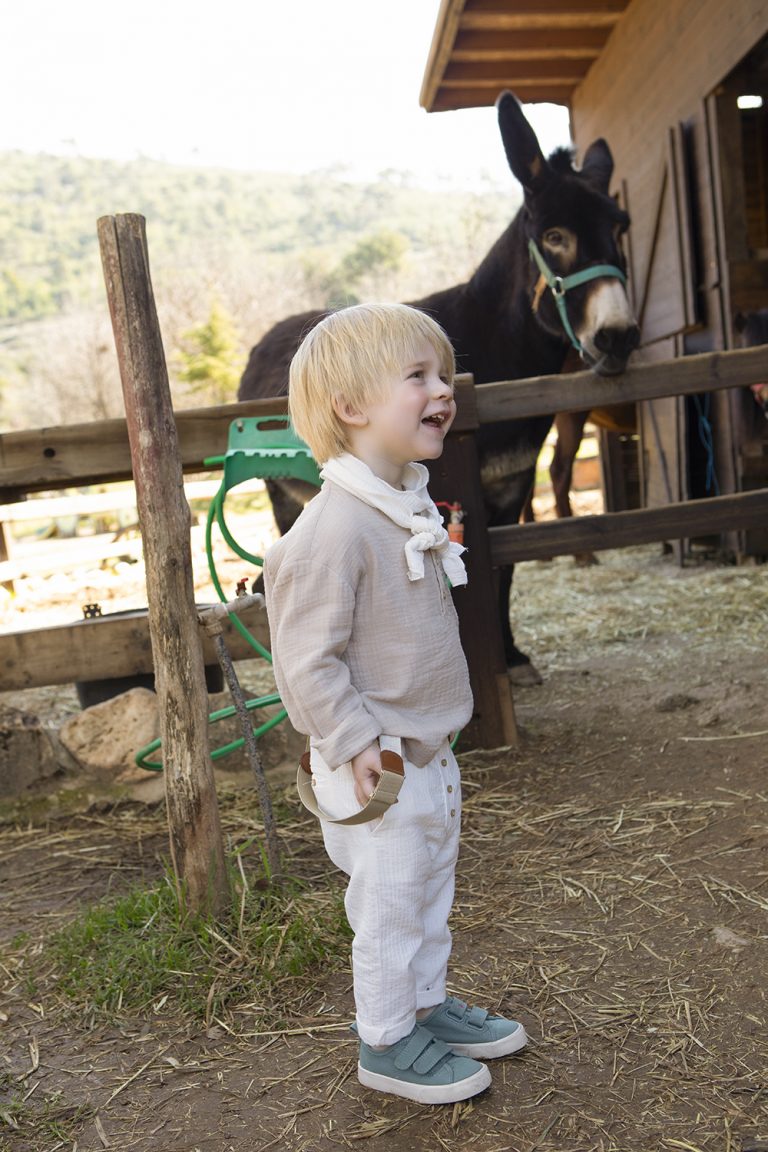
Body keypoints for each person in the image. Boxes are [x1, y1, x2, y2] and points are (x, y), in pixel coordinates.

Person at [263, 302, 527, 1105]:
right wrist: (353, 742)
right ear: (352, 408)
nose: (443, 390)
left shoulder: (403, 501)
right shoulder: (332, 531)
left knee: (427, 889)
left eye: (441, 375)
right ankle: (384, 1039)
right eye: (419, 377)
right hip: (374, 763)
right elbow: (305, 659)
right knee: (386, 899)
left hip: (426, 753)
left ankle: (422, 1006)